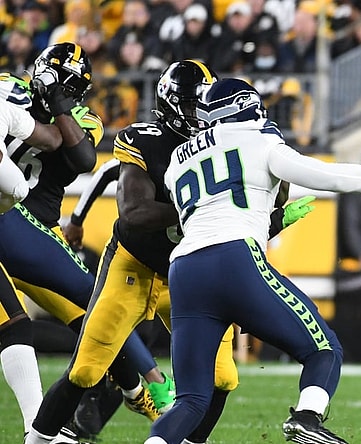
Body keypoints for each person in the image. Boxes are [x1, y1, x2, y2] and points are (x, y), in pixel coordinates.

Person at [143, 78, 361, 444]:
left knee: (191, 400)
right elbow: (327, 176)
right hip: (233, 260)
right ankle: (307, 418)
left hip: (184, 269)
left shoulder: (178, 163)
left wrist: (271, 220)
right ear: (248, 107)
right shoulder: (258, 140)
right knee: (323, 349)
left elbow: (212, 207)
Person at [24, 60, 239, 444]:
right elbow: (136, 213)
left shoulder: (225, 142)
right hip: (134, 266)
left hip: (189, 271)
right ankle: (37, 440)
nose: (201, 113)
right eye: (193, 105)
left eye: (205, 104)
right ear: (172, 104)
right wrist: (202, 207)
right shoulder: (145, 138)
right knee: (86, 370)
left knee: (222, 376)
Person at [0, 42, 168, 441]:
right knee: (55, 308)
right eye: (60, 80)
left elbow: (82, 158)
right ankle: (145, 384)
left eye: (69, 85)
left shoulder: (81, 118)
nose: (61, 87)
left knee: (92, 314)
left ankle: (139, 388)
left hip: (38, 229)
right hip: (11, 220)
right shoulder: (8, 89)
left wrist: (57, 104)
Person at [0, 82, 64, 440]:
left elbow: (50, 139)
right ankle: (38, 433)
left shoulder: (7, 108)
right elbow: (15, 187)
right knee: (15, 326)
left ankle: (38, 432)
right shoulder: (6, 109)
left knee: (15, 325)